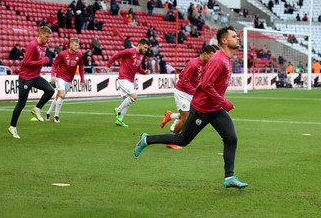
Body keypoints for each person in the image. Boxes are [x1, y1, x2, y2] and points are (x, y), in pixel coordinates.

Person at [134, 26, 248, 189]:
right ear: (224, 40)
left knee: (231, 138)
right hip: (202, 108)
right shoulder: (218, 60)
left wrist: (220, 103)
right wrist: (225, 103)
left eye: (237, 36)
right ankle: (146, 140)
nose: (238, 38)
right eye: (234, 36)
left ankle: (229, 177)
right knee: (183, 140)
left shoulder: (226, 59)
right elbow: (207, 86)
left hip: (215, 108)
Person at [160, 45, 217, 149]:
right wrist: (195, 92)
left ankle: (170, 116)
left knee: (192, 115)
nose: (212, 59)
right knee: (186, 118)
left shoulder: (207, 65)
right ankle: (171, 141)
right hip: (182, 91)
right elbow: (184, 81)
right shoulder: (193, 64)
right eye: (211, 56)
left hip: (191, 92)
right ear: (204, 53)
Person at [8, 26, 55, 139]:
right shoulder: (32, 45)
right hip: (26, 77)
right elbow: (26, 62)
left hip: (35, 76)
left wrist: (45, 60)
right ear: (41, 34)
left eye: (49, 37)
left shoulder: (44, 46)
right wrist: (42, 61)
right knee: (22, 103)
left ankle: (36, 109)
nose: (48, 39)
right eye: (47, 37)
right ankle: (12, 127)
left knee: (50, 90)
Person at [104, 39, 151, 127]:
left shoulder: (141, 56)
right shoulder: (129, 52)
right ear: (139, 45)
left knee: (127, 100)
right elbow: (116, 55)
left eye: (147, 48)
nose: (146, 50)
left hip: (130, 80)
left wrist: (144, 72)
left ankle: (119, 119)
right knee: (134, 96)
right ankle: (118, 109)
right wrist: (108, 65)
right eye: (145, 47)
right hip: (123, 78)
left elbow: (138, 68)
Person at [45, 38, 85, 123]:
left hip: (69, 79)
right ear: (70, 45)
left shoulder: (79, 55)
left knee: (58, 96)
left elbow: (81, 67)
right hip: (60, 77)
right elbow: (54, 65)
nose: (77, 47)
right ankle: (56, 116)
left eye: (78, 45)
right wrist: (52, 76)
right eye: (75, 45)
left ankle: (48, 113)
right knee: (62, 95)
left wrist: (82, 80)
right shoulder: (62, 54)